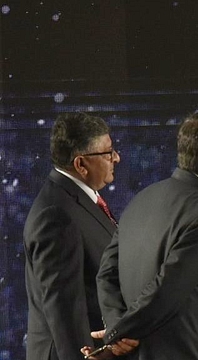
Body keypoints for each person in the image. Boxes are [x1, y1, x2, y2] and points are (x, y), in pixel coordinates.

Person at [93, 111, 198, 360]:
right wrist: (117, 334)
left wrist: (117, 331)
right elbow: (169, 288)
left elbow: (106, 274)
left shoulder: (141, 199)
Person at [23, 112, 136, 359]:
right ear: (81, 164)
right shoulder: (56, 214)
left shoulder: (78, 200)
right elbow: (64, 307)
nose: (116, 157)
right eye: (107, 153)